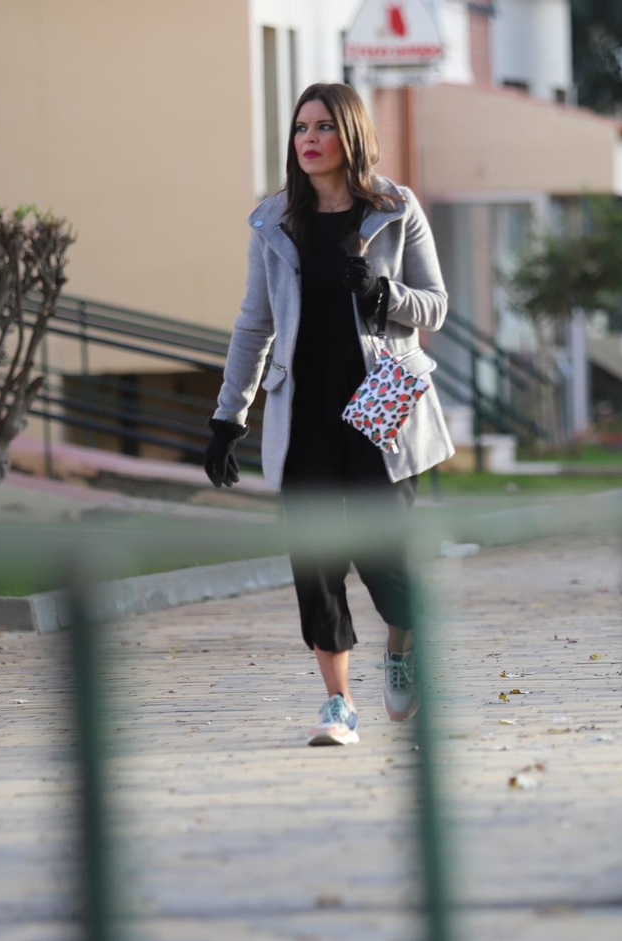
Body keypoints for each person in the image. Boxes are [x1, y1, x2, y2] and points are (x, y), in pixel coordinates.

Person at [202, 82, 454, 747]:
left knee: (381, 554)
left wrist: (383, 293)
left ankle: (401, 645)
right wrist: (229, 416)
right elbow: (254, 325)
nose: (308, 140)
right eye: (300, 128)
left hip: (381, 400)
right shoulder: (273, 222)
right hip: (304, 406)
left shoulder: (396, 209)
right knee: (315, 561)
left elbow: (435, 305)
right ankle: (338, 704)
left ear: (352, 135)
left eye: (323, 127)